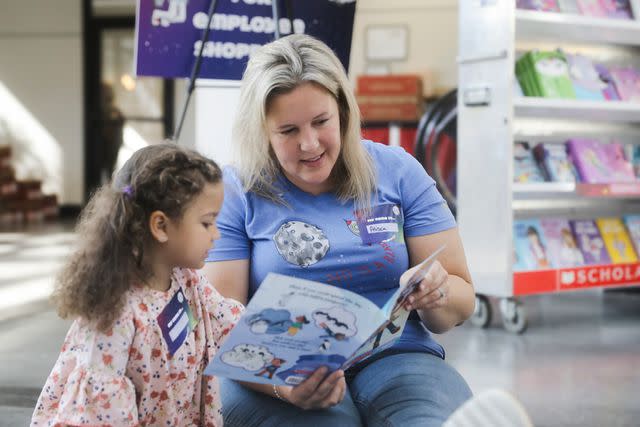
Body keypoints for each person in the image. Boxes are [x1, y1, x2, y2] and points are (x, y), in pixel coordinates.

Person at [203, 34, 476, 426]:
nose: (309, 144)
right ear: (262, 131)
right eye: (288, 131)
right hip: (275, 371)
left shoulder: (397, 171)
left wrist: (439, 291)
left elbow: (462, 303)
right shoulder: (237, 191)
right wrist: (284, 384)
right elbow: (220, 326)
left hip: (396, 357)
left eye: (320, 122)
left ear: (343, 113)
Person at [31, 143, 243, 427]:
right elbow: (101, 412)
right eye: (207, 223)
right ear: (161, 226)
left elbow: (230, 322)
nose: (216, 234)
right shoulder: (116, 312)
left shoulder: (186, 280)